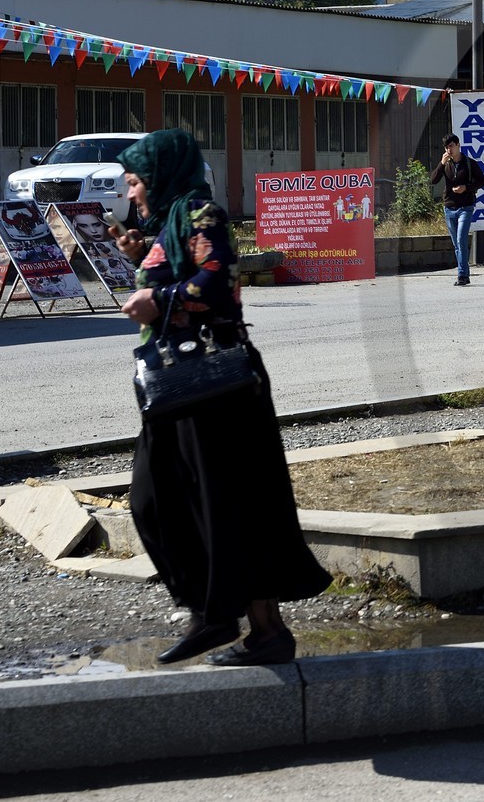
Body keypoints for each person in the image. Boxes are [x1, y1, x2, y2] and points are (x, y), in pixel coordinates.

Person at [113, 129, 330, 666]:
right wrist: (141, 255)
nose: (130, 193)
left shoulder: (202, 214)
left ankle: (261, 630)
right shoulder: (172, 222)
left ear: (159, 175)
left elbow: (215, 280)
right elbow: (182, 269)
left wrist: (158, 296)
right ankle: (215, 614)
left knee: (230, 505)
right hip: (180, 386)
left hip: (215, 385)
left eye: (135, 181)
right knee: (158, 500)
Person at [428, 133, 484, 286]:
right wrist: (441, 164)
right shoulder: (446, 164)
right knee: (456, 244)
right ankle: (465, 275)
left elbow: (482, 181)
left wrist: (466, 188)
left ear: (458, 145)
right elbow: (433, 180)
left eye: (451, 146)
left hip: (466, 207)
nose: (449, 150)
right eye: (446, 147)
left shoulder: (469, 163)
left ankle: (461, 274)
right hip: (449, 207)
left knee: (461, 240)